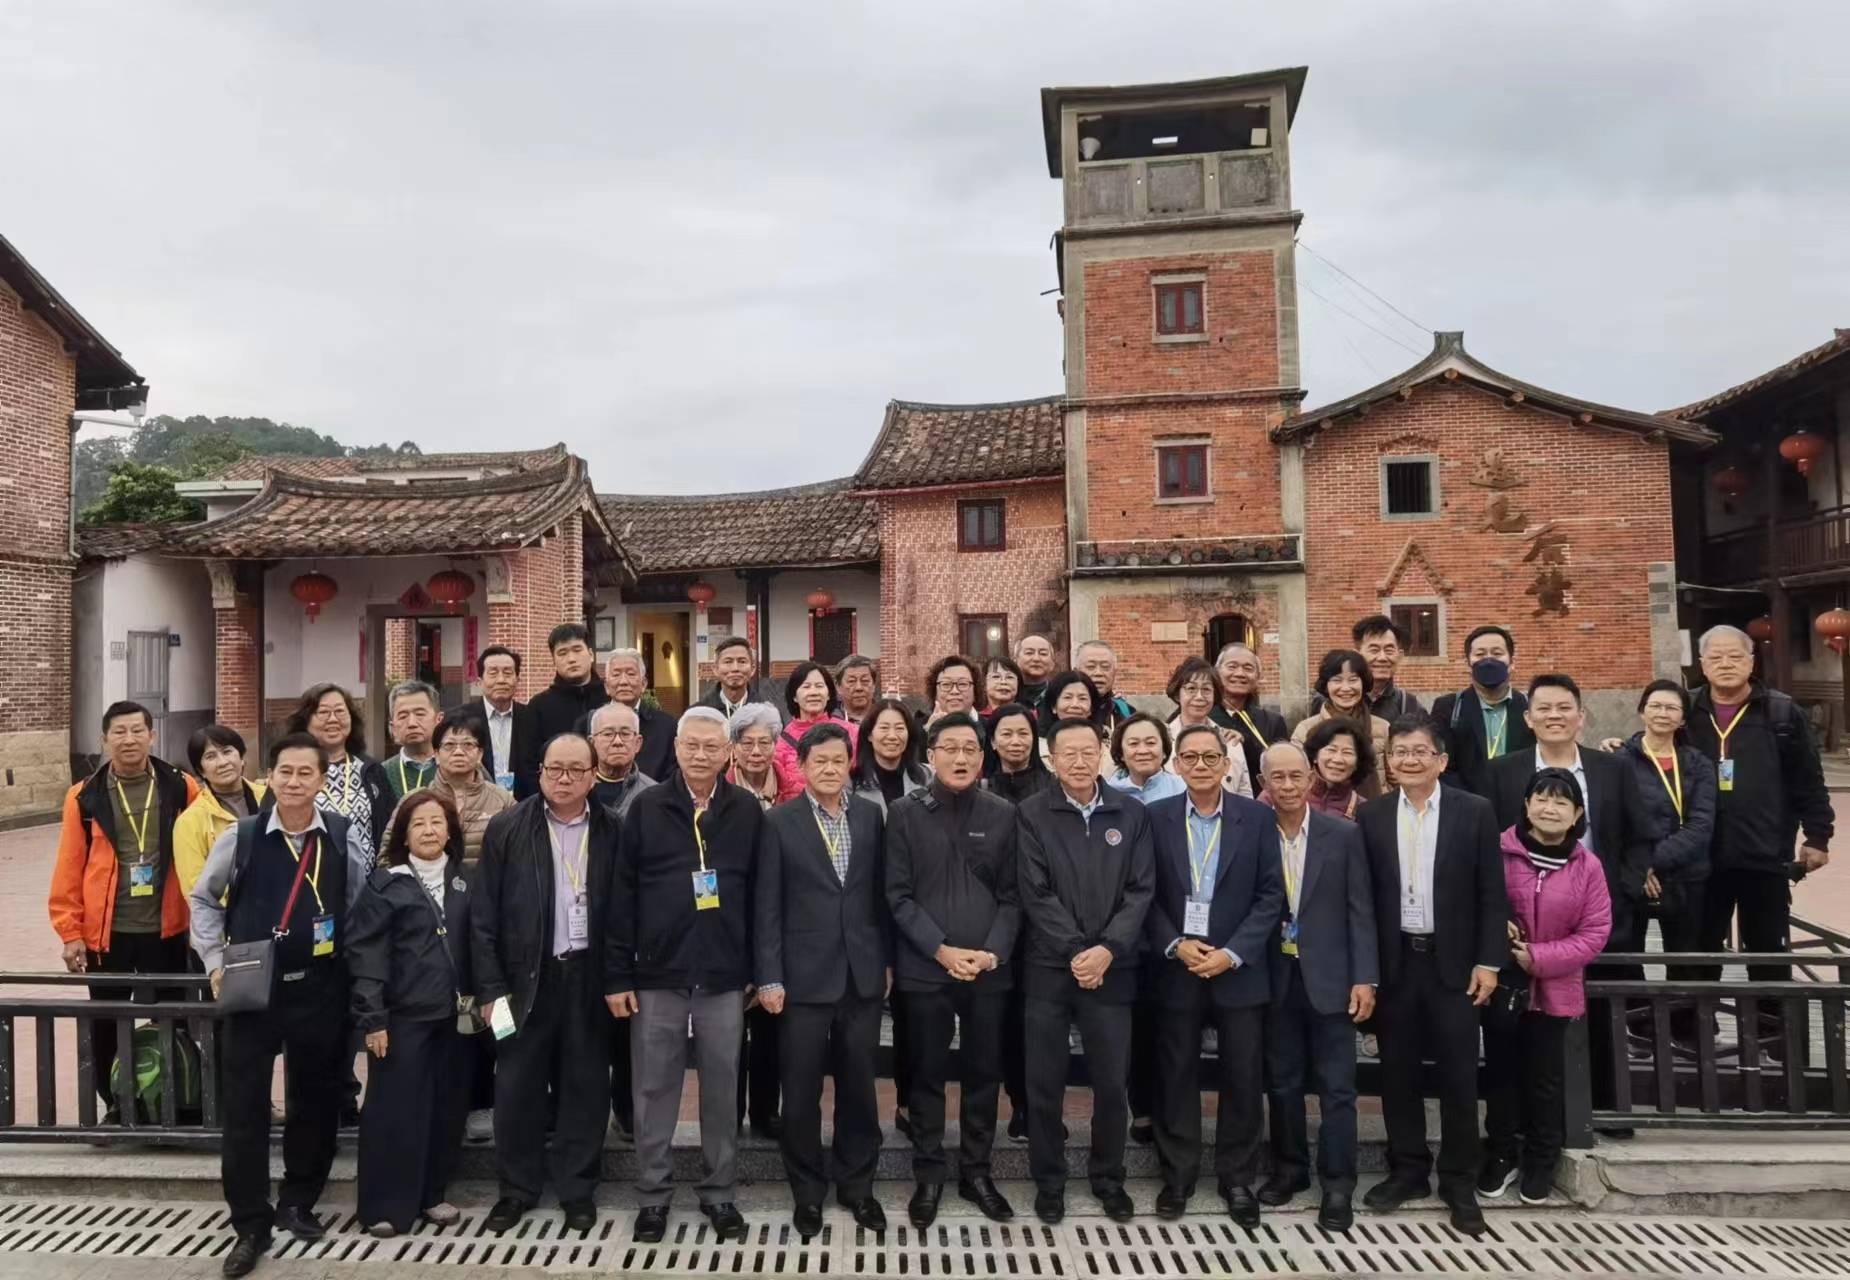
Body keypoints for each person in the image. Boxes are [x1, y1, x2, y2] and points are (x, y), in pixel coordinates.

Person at [188, 733, 373, 1278]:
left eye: (306, 773)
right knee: (245, 1106)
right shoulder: (241, 836)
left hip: (319, 986)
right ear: (270, 777)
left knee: (314, 1098)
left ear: (322, 780)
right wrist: (214, 962)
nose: (294, 782)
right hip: (252, 987)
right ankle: (250, 1221)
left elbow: (359, 906)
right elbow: (203, 899)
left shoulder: (340, 834)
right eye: (285, 772)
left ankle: (298, 1199)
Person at [607, 707, 761, 1244]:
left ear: (727, 753)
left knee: (722, 1085)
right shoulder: (646, 808)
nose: (700, 755)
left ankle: (719, 1192)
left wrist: (756, 969)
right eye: (691, 745)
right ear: (674, 749)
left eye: (711, 747)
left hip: (723, 972)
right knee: (653, 1087)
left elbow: (761, 896)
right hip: (657, 971)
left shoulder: (745, 810)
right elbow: (621, 896)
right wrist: (618, 975)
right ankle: (653, 1194)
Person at [1357, 719, 1508, 1237]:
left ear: (1441, 760)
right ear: (1389, 762)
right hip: (1397, 963)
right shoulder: (1372, 815)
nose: (1410, 759)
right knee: (1397, 1074)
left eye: (1421, 751)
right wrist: (1367, 971)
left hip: (1456, 966)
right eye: (1400, 751)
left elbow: (1492, 892)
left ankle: (1459, 1181)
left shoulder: (1474, 810)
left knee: (1459, 1078)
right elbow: (1363, 898)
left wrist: (1489, 961)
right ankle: (1408, 1170)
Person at [472, 732, 617, 1236]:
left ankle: (577, 1190)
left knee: (586, 1087)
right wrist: (490, 989)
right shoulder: (507, 826)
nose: (564, 779)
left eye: (576, 770)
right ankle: (516, 1190)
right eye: (555, 768)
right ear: (540, 772)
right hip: (521, 982)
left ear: (593, 776)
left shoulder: (613, 829)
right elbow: (483, 916)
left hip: (588, 978)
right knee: (516, 1087)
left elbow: (625, 913)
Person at [1141, 725, 1283, 1226]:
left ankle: (1237, 1178)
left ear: (1226, 764)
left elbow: (1271, 894)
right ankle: (1177, 1176)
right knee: (1175, 1073)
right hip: (1177, 966)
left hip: (1237, 968)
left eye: (1209, 758)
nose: (1200, 766)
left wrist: (1234, 952)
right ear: (1176, 764)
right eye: (1190, 757)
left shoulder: (1257, 817)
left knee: (1243, 1075)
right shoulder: (1154, 817)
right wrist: (1175, 944)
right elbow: (1143, 892)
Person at [1017, 718, 1156, 1225]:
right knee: (1044, 1082)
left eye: (1087, 751)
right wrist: (1079, 951)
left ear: (1103, 753)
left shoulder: (1131, 813)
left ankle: (1108, 1178)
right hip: (1049, 968)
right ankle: (1049, 1181)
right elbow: (1034, 892)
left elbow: (1141, 890)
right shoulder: (1031, 813)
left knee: (1111, 1082)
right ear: (1051, 759)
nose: (1078, 762)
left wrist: (1107, 950)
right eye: (1067, 753)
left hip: (1112, 970)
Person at [754, 722, 891, 1237]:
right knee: (801, 1091)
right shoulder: (779, 822)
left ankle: (858, 1187)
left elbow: (880, 895)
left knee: (859, 1088)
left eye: (838, 760)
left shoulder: (871, 815)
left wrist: (886, 962)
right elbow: (766, 905)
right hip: (801, 979)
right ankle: (807, 1193)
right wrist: (769, 977)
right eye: (820, 762)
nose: (831, 769)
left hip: (861, 975)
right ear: (802, 766)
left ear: (849, 762)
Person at [886, 712, 1021, 1229]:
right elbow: (897, 895)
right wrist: (940, 950)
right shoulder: (904, 813)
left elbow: (1013, 896)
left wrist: (991, 953)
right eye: (950, 748)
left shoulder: (1003, 813)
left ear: (983, 758)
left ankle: (977, 1172)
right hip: (926, 968)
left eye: (970, 749)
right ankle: (928, 1173)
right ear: (931, 756)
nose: (961, 758)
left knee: (984, 1073)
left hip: (988, 969)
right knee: (926, 1074)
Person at [50, 701, 201, 1114]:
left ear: (152, 735)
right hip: (108, 934)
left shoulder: (181, 787)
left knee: (173, 1018)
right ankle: (116, 1105)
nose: (129, 739)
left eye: (137, 730)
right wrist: (70, 932)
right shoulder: (84, 796)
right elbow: (69, 866)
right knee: (106, 1023)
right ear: (104, 740)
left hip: (168, 929)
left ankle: (175, 1103)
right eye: (119, 732)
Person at [1255, 743, 1376, 1231]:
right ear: (1263, 783)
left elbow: (1361, 910)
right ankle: (1290, 1170)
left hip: (1331, 978)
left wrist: (1365, 977)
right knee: (1282, 1083)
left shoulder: (1343, 834)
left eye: (1295, 776)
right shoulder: (1253, 832)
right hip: (1273, 979)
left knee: (1337, 1089)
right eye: (1277, 777)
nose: (1287, 786)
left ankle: (1339, 1183)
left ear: (1311, 779)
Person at [1686, 624, 1831, 1023]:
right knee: (1698, 951)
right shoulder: (1686, 711)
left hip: (1764, 855)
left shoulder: (1781, 713)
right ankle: (1694, 1031)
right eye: (1716, 657)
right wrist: (1620, 747)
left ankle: (1771, 1035)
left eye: (1735, 656)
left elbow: (1808, 780)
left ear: (1752, 662)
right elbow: (1651, 751)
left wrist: (1818, 836)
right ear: (1702, 664)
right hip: (1700, 857)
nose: (1726, 664)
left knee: (1768, 953)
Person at [1479, 769, 1611, 1207]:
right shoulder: (1497, 851)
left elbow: (1594, 933)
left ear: (1577, 814)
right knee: (1500, 1075)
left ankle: (1541, 1159)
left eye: (1561, 802)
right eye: (1541, 798)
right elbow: (1476, 903)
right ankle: (1501, 1153)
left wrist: (1536, 957)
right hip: (1502, 985)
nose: (1549, 809)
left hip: (1554, 988)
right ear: (1527, 804)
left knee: (1545, 1081)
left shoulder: (1587, 866)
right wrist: (1501, 938)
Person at [348, 789, 475, 1237]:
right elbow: (367, 955)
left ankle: (431, 1194)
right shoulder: (386, 884)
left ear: (450, 831)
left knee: (445, 1109)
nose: (428, 830)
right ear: (403, 834)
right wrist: (373, 1018)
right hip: (402, 1020)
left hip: (454, 1019)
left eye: (437, 822)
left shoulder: (464, 881)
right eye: (418, 823)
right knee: (394, 1113)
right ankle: (384, 1207)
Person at [1615, 682, 1717, 1018]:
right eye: (1655, 706)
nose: (1662, 713)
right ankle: (1639, 1026)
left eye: (1671, 708)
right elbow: (1613, 823)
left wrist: (1653, 861)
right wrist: (1639, 866)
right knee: (1629, 957)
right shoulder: (1618, 761)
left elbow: (1701, 825)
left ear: (1683, 718)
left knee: (1685, 959)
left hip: (1687, 876)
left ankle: (1686, 1028)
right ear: (1641, 711)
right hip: (1634, 879)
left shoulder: (1698, 764)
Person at [286, 683, 393, 865]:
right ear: (306, 721)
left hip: (368, 879)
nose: (333, 719)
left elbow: (390, 828)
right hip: (311, 876)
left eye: (340, 711)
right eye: (323, 712)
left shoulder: (371, 770)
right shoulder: (290, 771)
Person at [1428, 625, 1533, 799]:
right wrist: (1472, 804)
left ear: (1512, 662)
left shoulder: (1530, 708)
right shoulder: (1449, 707)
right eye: (1480, 654)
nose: (1489, 660)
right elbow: (1442, 765)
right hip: (1466, 805)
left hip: (1521, 804)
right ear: (1468, 664)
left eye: (1497, 653)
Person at [174, 725, 266, 898]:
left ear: (241, 758)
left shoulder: (271, 799)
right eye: (210, 756)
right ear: (201, 771)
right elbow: (196, 890)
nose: (223, 762)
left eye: (227, 751)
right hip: (229, 913)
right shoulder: (190, 822)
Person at [428, 711, 515, 868]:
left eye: (468, 745)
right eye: (449, 745)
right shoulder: (416, 801)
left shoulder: (503, 801)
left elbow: (521, 853)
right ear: (436, 755)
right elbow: (389, 859)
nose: (458, 752)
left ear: (480, 754)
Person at [1291, 649, 1391, 784]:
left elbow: (1395, 781)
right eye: (1337, 680)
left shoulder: (1384, 728)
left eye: (1353, 680)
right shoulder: (1305, 730)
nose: (1346, 688)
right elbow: (1296, 779)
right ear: (1325, 686)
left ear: (1363, 683)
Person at [1165, 658, 1253, 797]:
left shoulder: (1230, 741)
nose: (1199, 697)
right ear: (1177, 694)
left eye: (1206, 689)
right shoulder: (1162, 740)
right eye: (1191, 689)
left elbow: (1244, 795)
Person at [773, 662, 857, 801]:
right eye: (806, 687)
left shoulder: (852, 733)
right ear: (794, 696)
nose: (813, 692)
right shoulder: (780, 741)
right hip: (797, 811)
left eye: (819, 686)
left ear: (829, 694)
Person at [1211, 641, 1290, 787]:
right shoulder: (1202, 716)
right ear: (1217, 671)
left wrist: (1246, 742)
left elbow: (1284, 767)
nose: (1240, 674)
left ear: (1258, 676)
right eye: (1232, 666)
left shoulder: (1272, 722)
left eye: (1248, 668)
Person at [596, 647, 678, 784]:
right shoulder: (589, 723)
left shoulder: (667, 726)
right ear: (606, 685)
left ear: (643, 684)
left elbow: (673, 777)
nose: (623, 681)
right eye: (616, 674)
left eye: (631, 674)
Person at [470, 644, 539, 799]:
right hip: (478, 804)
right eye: (493, 673)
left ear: (517, 680)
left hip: (524, 804)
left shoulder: (532, 717)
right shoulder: (463, 720)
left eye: (507, 673)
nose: (501, 680)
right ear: (479, 682)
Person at [528, 623, 610, 744]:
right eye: (562, 653)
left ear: (591, 655)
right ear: (554, 661)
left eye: (577, 650)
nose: (571, 659)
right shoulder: (539, 706)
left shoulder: (610, 697)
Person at [851, 697, 929, 813]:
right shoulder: (852, 782)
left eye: (899, 728)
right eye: (884, 728)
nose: (892, 736)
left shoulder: (928, 777)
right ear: (869, 734)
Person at [1299, 718, 1379, 820]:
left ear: (1358, 762)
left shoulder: (1365, 811)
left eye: (1347, 752)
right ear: (1315, 756)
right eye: (1331, 750)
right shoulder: (1293, 799)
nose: (1338, 759)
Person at [1350, 615, 1427, 720]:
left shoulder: (1410, 706)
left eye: (1389, 651)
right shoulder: (1338, 702)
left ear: (1399, 656)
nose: (1382, 658)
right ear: (1356, 655)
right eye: (1374, 650)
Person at [588, 701, 656, 819]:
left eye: (625, 734)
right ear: (592, 743)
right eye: (608, 734)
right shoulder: (576, 788)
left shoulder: (653, 794)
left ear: (637, 743)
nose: (617, 742)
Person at [698, 635, 782, 725]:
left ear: (753, 669)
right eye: (728, 662)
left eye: (742, 661)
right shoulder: (699, 713)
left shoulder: (768, 714)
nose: (735, 668)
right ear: (715, 669)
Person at [381, 680, 442, 801]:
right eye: (403, 716)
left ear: (439, 720)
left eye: (420, 714)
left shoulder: (459, 766)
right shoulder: (380, 773)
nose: (412, 723)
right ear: (393, 728)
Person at [1107, 713, 1185, 805]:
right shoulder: (1106, 794)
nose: (1143, 751)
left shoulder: (1183, 790)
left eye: (1151, 743)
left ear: (1164, 750)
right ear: (1121, 753)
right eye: (1133, 743)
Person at [985, 702, 1053, 805]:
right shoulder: (982, 789)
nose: (1016, 742)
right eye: (1006, 734)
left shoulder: (1053, 786)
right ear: (993, 741)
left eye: (1023, 733)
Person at [726, 702, 784, 810]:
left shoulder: (794, 792)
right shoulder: (718, 795)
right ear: (733, 748)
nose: (756, 752)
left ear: (775, 745)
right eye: (747, 743)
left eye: (764, 743)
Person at [1075, 640, 1136, 737]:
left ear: (1115, 672)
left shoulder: (1127, 713)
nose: (1098, 673)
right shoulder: (1066, 710)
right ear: (1076, 671)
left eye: (1105, 667)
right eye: (1091, 667)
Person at [925, 654, 981, 725]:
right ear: (934, 693)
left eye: (963, 684)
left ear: (975, 692)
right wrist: (929, 729)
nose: (954, 691)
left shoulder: (990, 728)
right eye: (946, 684)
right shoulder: (920, 728)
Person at [1015, 634, 1059, 711]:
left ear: (1052, 664)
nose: (1036, 659)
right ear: (1016, 660)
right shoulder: (1009, 694)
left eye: (1043, 654)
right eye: (1029, 653)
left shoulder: (1059, 695)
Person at [836, 654, 881, 724]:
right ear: (838, 687)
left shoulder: (887, 718)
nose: (859, 687)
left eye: (865, 680)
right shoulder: (830, 722)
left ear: (874, 685)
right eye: (851, 681)